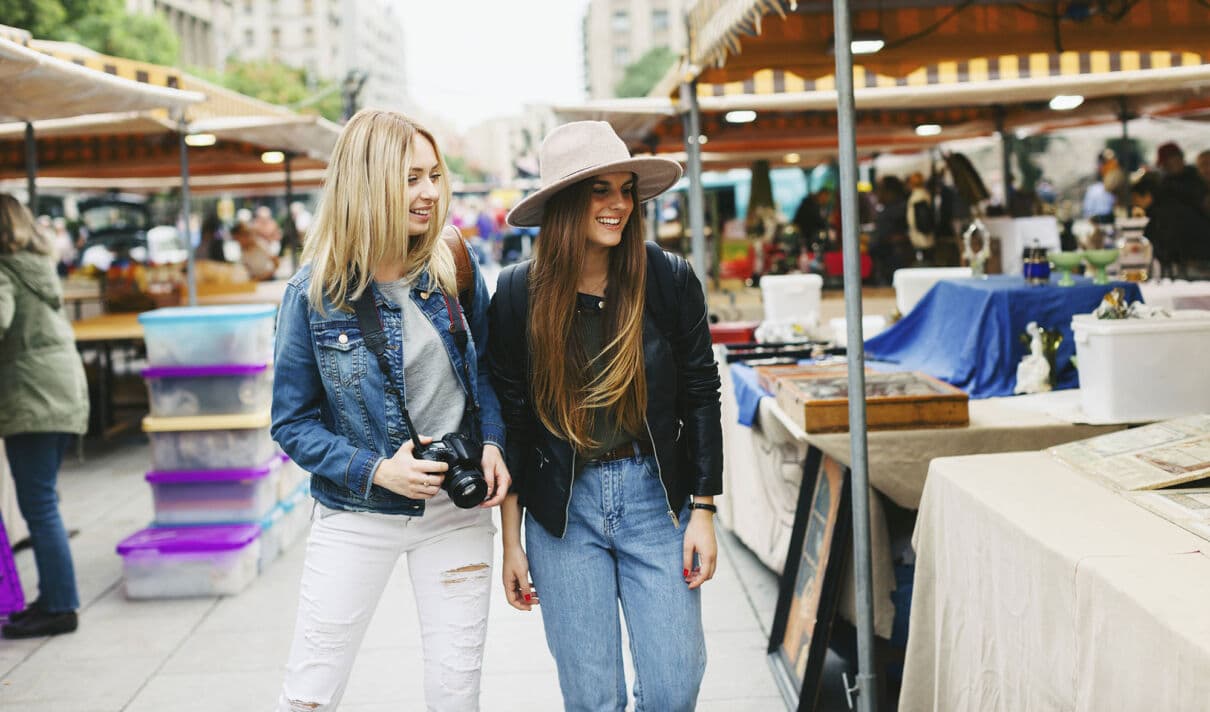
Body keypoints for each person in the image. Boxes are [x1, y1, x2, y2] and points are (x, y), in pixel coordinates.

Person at [271, 110, 510, 711]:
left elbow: (490, 372)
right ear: (367, 182)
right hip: (357, 512)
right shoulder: (313, 294)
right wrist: (379, 470)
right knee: (310, 693)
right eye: (411, 178)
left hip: (456, 512)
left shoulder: (452, 264)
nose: (430, 192)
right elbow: (291, 423)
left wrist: (494, 444)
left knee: (457, 692)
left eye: (434, 175)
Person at [489, 121, 722, 711]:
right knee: (593, 698)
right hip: (561, 514)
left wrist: (704, 509)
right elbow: (513, 422)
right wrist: (511, 542)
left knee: (674, 686)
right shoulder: (518, 295)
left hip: (654, 498)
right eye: (598, 190)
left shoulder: (667, 278)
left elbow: (701, 393)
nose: (618, 204)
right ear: (565, 203)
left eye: (625, 189)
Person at [0, 193, 89, 639]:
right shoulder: (36, 267)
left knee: (40, 507)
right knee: (45, 503)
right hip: (62, 393)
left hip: (33, 397)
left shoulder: (3, 271)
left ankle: (60, 606)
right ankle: (54, 596)